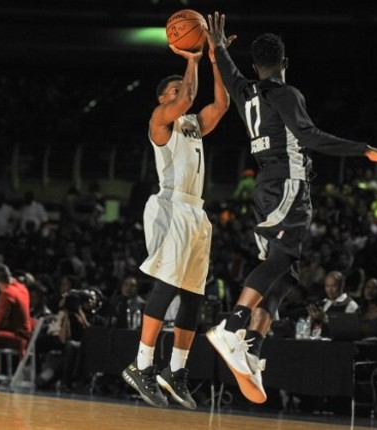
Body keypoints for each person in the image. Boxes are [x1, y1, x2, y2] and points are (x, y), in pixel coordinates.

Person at [203, 12, 377, 405]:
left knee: (284, 278)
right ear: (284, 62)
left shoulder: (245, 91)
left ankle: (252, 348)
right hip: (287, 184)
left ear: (256, 64)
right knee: (279, 264)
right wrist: (366, 149)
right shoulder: (285, 93)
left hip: (266, 187)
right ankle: (232, 325)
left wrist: (218, 49)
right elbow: (310, 136)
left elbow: (228, 72)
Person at [119, 33, 231, 410]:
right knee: (165, 288)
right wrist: (193, 59)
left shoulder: (194, 125)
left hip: (196, 212)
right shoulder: (160, 120)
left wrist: (217, 57)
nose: (183, 91)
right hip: (171, 206)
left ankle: (176, 371)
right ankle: (142, 364)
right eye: (176, 88)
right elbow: (188, 96)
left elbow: (222, 102)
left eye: (183, 86)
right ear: (163, 98)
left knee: (194, 298)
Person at [305, 271, 358, 338]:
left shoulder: (350, 305)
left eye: (333, 286)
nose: (330, 290)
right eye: (327, 286)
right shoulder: (323, 303)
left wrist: (326, 319)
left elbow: (347, 330)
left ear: (342, 285)